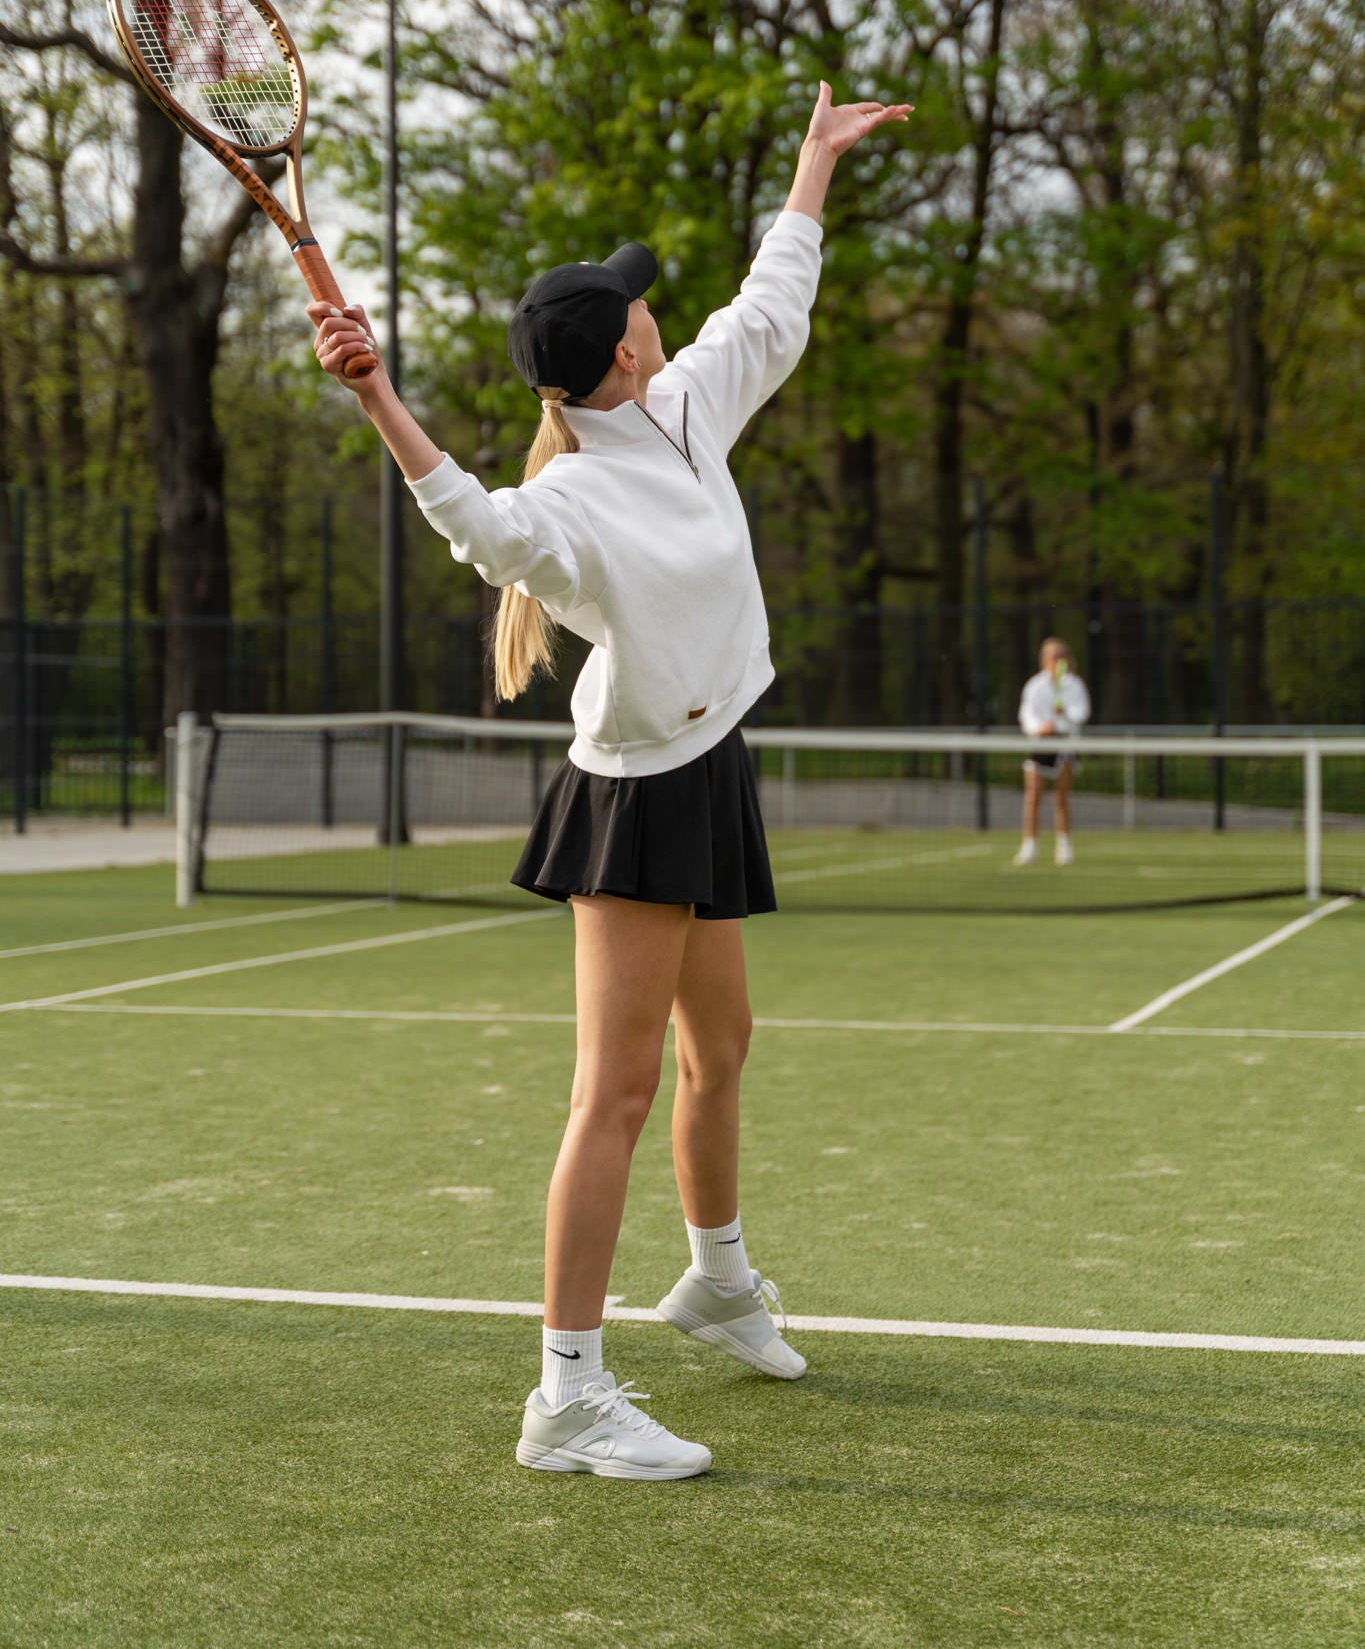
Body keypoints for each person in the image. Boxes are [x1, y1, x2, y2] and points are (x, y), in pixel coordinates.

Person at [308, 81, 912, 1481]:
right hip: (634, 796)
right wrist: (377, 394)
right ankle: (565, 1397)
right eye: (638, 308)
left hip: (714, 760)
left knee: (725, 1053)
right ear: (618, 358)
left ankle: (716, 1281)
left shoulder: (689, 401)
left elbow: (772, 306)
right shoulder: (571, 506)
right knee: (616, 1096)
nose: (658, 310)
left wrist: (812, 167)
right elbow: (478, 529)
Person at [1013, 637, 1091, 868]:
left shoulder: (1074, 685)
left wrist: (1062, 715)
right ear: (1044, 660)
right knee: (1033, 795)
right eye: (1052, 656)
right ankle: (1029, 846)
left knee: (1061, 796)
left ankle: (1064, 846)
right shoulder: (1035, 686)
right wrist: (1040, 728)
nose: (1056, 660)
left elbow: (1081, 714)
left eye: (1060, 656)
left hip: (1065, 744)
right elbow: (1026, 716)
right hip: (1041, 743)